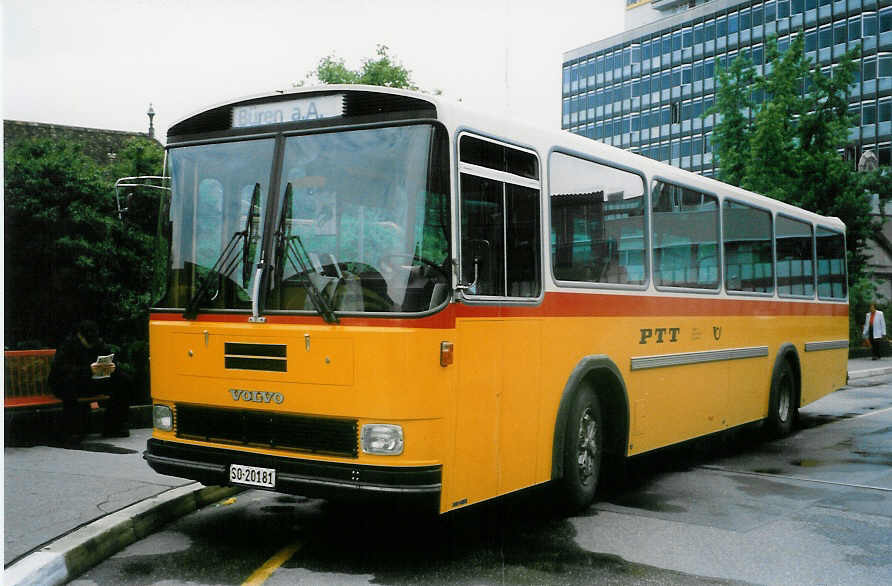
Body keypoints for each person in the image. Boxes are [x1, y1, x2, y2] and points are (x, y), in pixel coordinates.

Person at [48, 320, 130, 442]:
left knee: (123, 380)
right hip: (68, 384)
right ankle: (72, 430)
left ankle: (114, 426)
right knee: (70, 383)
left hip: (91, 382)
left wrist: (113, 368)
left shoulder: (98, 344)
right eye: (88, 341)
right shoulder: (67, 346)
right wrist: (88, 369)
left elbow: (109, 361)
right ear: (80, 336)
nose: (90, 345)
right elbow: (60, 371)